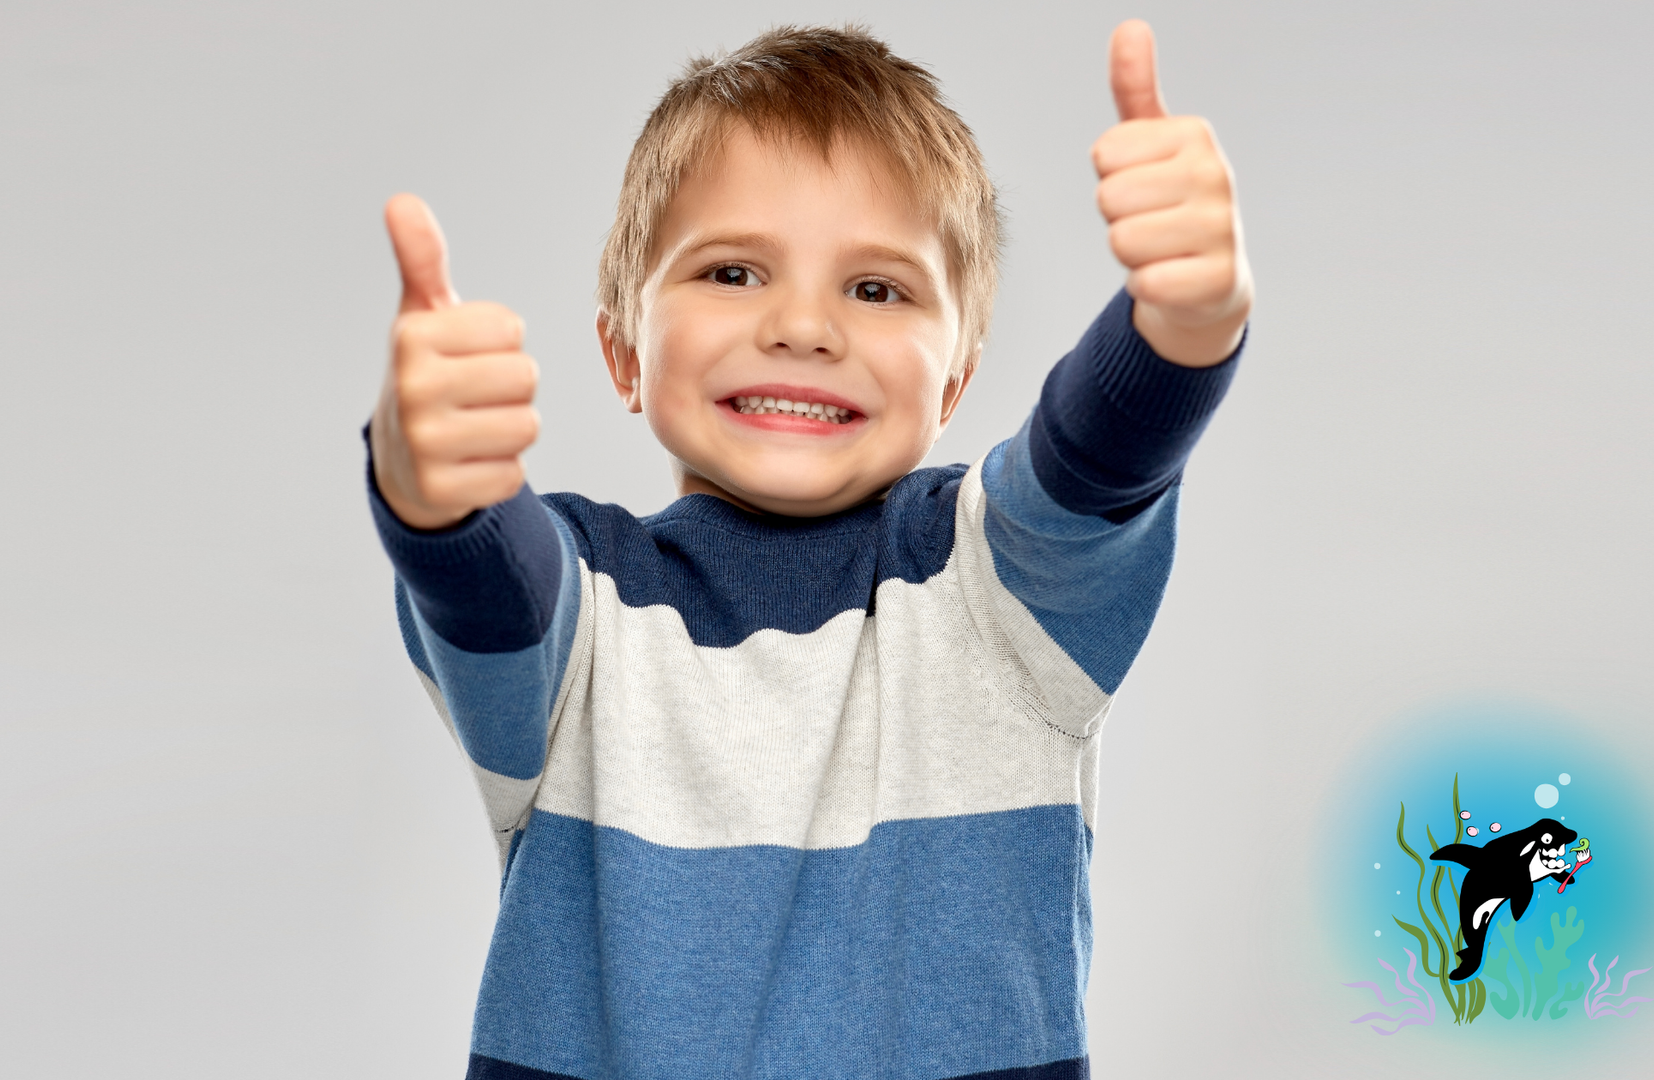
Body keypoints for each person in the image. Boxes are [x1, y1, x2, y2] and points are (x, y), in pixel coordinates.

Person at [364, 20, 1250, 1080]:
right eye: (733, 272)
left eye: (877, 290)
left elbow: (1097, 458)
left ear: (956, 383)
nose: (801, 325)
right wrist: (429, 475)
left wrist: (1182, 327)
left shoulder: (997, 589)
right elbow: (487, 574)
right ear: (623, 350)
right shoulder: (586, 615)